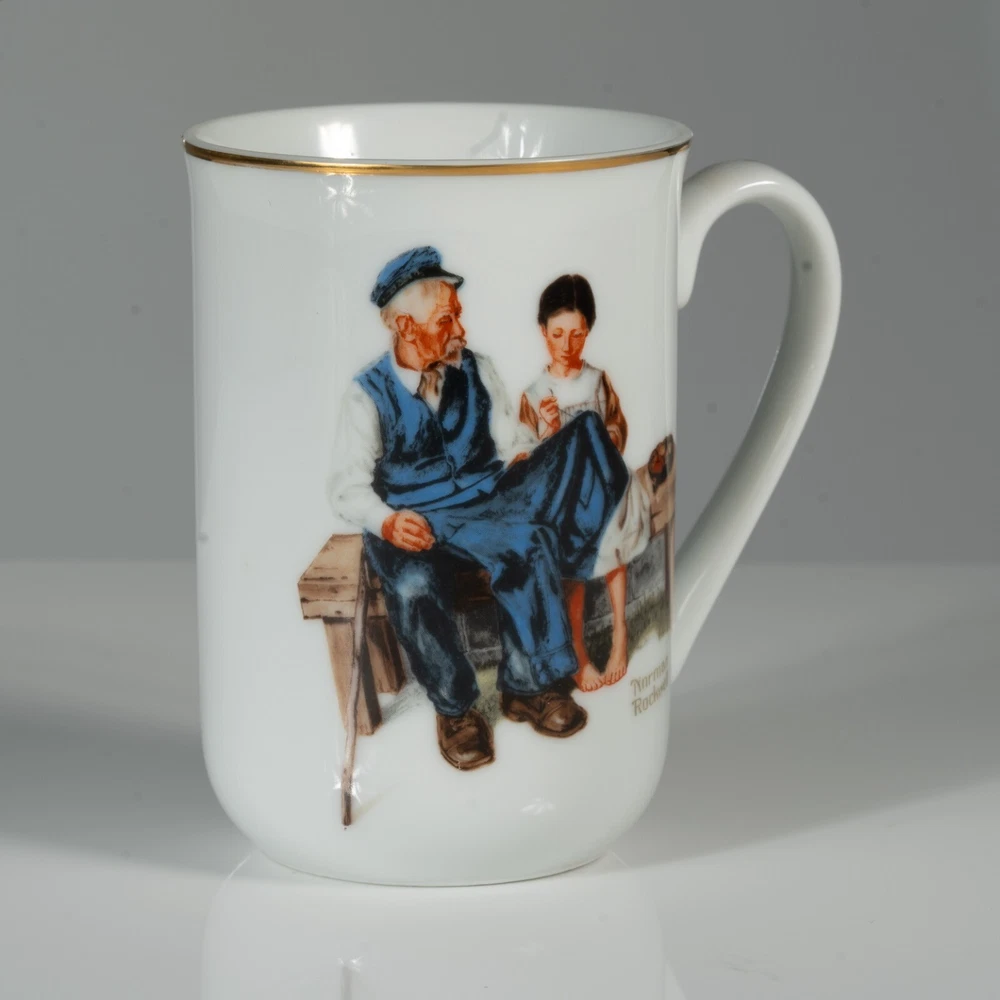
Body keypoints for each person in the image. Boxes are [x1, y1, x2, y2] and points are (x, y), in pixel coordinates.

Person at [328, 247, 633, 772]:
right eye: (447, 320)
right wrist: (387, 522)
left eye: (458, 316)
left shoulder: (477, 369)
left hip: (486, 504)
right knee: (412, 586)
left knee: (575, 453)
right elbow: (346, 487)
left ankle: (528, 686)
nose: (460, 331)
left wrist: (528, 453)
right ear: (405, 326)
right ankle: (456, 711)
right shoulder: (366, 395)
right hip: (414, 521)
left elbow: (509, 442)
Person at [520, 274, 651, 691]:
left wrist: (601, 436)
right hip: (565, 496)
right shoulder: (535, 393)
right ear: (543, 331)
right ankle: (577, 650)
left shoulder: (597, 380)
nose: (567, 344)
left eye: (577, 334)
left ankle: (619, 637)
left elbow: (617, 430)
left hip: (605, 488)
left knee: (610, 530)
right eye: (558, 334)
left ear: (588, 332)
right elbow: (524, 460)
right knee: (570, 545)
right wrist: (549, 434)